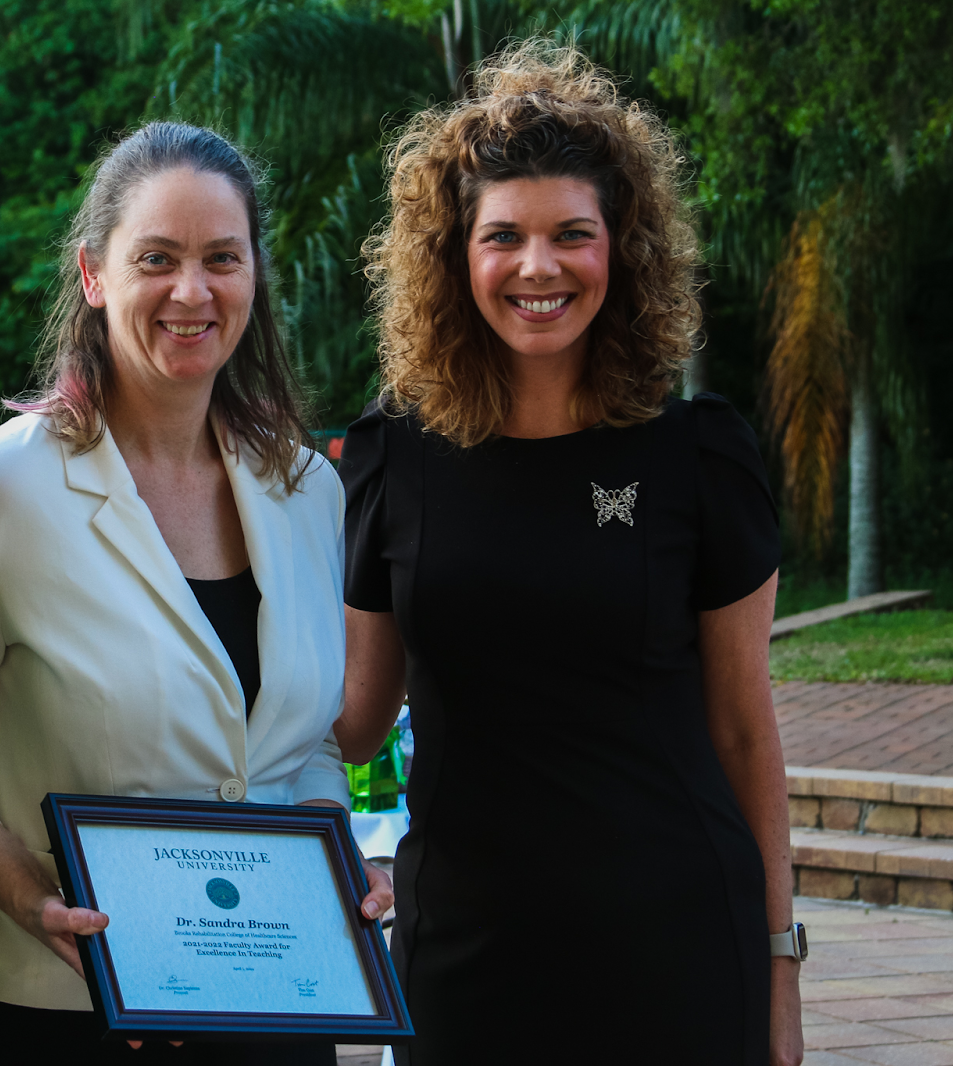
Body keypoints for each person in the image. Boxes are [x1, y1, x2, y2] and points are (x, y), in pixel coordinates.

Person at [336, 42, 803, 1066]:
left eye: (571, 235)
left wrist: (778, 966)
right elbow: (352, 719)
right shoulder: (392, 459)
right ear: (455, 257)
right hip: (463, 957)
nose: (537, 267)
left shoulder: (697, 456)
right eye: (502, 236)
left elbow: (741, 730)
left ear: (620, 248)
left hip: (676, 949)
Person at [0, 122, 392, 1066]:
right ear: (93, 275)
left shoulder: (307, 494)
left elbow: (298, 753)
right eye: (156, 259)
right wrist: (27, 896)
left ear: (254, 274)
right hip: (42, 1014)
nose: (192, 291)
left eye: (222, 259)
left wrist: (338, 867)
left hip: (265, 1011)